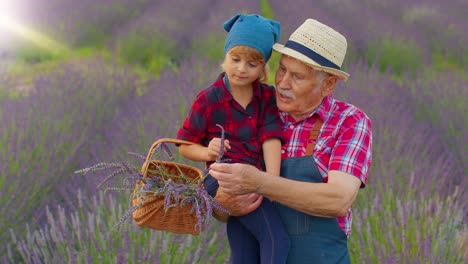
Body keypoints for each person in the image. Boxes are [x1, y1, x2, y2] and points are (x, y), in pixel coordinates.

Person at [209, 18, 373, 263]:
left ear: (328, 84)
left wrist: (260, 183)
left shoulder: (349, 122)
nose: (283, 83)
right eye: (282, 69)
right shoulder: (257, 111)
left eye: (297, 76)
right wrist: (222, 204)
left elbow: (338, 199)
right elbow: (221, 200)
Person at [176, 13, 290, 264]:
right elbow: (185, 145)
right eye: (235, 59)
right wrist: (207, 152)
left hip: (254, 180)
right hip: (222, 180)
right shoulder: (208, 100)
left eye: (252, 64)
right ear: (225, 57)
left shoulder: (266, 97)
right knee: (276, 240)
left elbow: (271, 138)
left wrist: (272, 182)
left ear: (263, 68)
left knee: (244, 249)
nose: (241, 69)